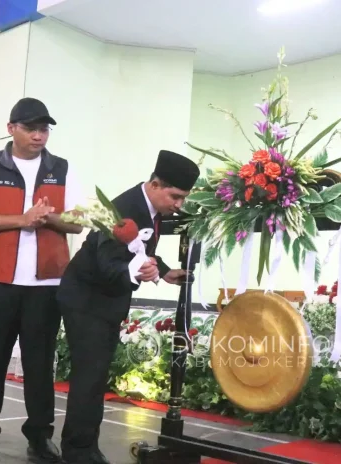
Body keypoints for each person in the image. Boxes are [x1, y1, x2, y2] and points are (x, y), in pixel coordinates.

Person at [0, 98, 84, 462]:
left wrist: (49, 218)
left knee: (40, 365)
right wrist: (21, 219)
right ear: (11, 129)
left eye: (44, 129)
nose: (39, 136)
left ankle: (40, 437)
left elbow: (77, 222)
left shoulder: (62, 169)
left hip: (46, 285)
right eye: (31, 129)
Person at [56, 150, 199, 464]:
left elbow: (139, 249)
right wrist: (136, 273)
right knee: (89, 377)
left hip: (106, 300)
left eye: (183, 198)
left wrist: (162, 271)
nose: (179, 205)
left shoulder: (149, 207)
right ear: (156, 184)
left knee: (96, 376)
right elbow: (109, 263)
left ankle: (86, 446)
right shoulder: (123, 209)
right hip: (87, 300)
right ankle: (77, 451)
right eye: (175, 197)